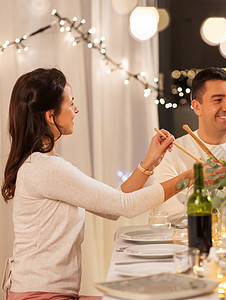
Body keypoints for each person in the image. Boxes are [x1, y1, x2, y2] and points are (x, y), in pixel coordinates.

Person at [0, 68, 207, 299]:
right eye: (71, 103)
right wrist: (191, 177)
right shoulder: (45, 168)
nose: (76, 109)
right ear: (50, 116)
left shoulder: (44, 164)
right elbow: (124, 206)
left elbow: (113, 207)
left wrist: (151, 161)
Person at [151, 67, 226, 220]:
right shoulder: (173, 151)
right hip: (188, 240)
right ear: (196, 107)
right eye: (218, 100)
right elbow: (166, 211)